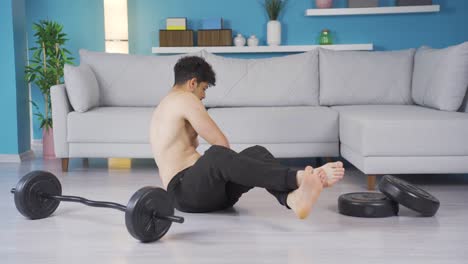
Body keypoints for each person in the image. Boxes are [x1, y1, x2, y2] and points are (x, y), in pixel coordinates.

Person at [150, 56, 345, 219]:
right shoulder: (184, 99)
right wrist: (239, 169)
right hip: (185, 193)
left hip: (206, 194)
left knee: (256, 153)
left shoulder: (163, 107)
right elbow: (221, 144)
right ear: (192, 83)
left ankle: (292, 199)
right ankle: (299, 177)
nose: (203, 96)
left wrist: (241, 169)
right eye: (204, 88)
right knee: (217, 154)